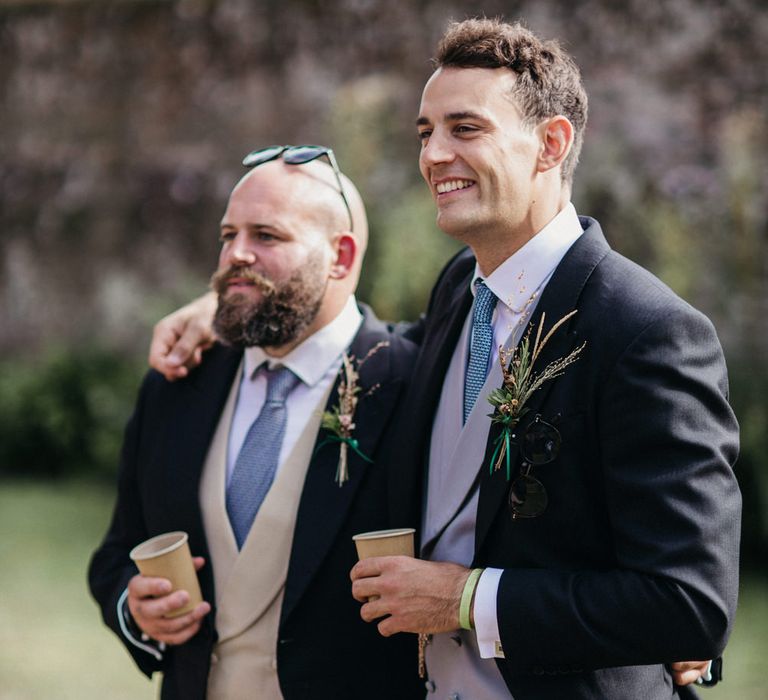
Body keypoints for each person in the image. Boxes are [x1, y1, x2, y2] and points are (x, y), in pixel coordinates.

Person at [148, 20, 740, 698]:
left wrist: (467, 601)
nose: (433, 155)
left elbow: (690, 604)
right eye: (425, 133)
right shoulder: (461, 290)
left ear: (551, 144)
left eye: (465, 129)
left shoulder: (646, 331)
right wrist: (225, 309)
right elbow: (369, 343)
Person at [88, 149, 422, 700]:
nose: (234, 255)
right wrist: (135, 604)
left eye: (265, 236)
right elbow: (116, 551)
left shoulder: (410, 386)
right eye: (228, 235)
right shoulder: (176, 385)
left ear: (340, 256)